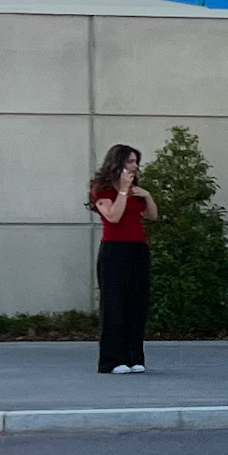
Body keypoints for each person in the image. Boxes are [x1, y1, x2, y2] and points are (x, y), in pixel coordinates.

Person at [89, 144, 158, 374]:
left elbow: (152, 215)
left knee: (137, 304)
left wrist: (146, 195)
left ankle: (133, 357)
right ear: (118, 163)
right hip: (114, 251)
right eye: (130, 161)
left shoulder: (135, 189)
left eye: (136, 162)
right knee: (114, 306)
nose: (135, 166)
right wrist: (122, 191)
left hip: (137, 250)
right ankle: (112, 360)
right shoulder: (102, 189)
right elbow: (113, 217)